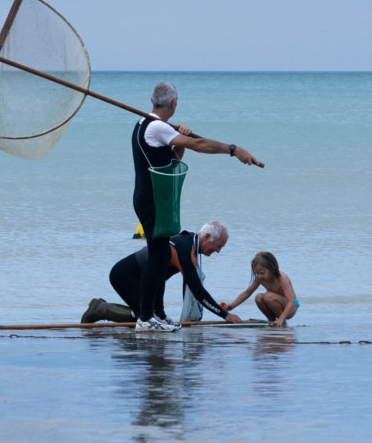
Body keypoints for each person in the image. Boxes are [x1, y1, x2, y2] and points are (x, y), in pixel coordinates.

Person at [131, 82, 261, 332]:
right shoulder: (156, 126)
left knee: (158, 257)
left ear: (151, 99)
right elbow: (199, 145)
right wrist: (233, 150)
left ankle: (156, 314)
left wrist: (179, 140)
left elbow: (172, 162)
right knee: (157, 258)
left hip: (153, 197)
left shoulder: (149, 126)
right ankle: (146, 318)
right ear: (174, 103)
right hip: (152, 199)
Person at [81, 222, 245, 328]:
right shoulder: (185, 250)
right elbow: (197, 290)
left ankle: (102, 305)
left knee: (154, 317)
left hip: (143, 279)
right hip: (125, 275)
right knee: (147, 319)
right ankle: (101, 309)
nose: (218, 251)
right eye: (218, 246)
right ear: (207, 237)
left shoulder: (189, 243)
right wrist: (225, 315)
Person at [225, 251, 299, 327]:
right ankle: (272, 320)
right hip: (277, 303)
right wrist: (230, 306)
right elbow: (247, 293)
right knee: (258, 297)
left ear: (272, 269)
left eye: (262, 273)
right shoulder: (260, 278)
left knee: (268, 296)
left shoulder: (282, 278)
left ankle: (282, 323)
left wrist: (281, 318)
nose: (259, 276)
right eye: (257, 273)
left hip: (291, 307)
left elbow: (291, 302)